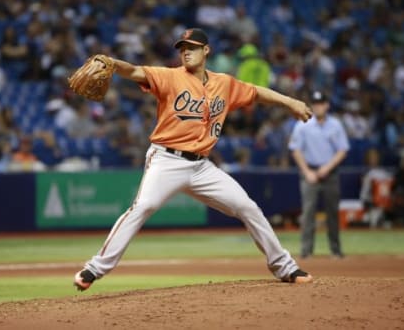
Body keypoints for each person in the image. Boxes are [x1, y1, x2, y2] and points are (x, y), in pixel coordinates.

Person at [73, 28, 314, 291]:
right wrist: (113, 63)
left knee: (248, 207)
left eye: (192, 47)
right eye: (182, 47)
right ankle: (94, 268)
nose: (186, 51)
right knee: (142, 207)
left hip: (201, 167)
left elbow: (256, 92)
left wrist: (290, 102)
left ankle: (285, 267)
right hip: (166, 160)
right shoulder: (169, 76)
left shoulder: (225, 84)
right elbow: (134, 71)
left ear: (206, 50)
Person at [288, 90, 350, 259]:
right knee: (308, 213)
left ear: (327, 105)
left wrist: (327, 168)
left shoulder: (335, 125)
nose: (318, 107)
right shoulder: (303, 123)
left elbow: (342, 150)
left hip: (330, 172)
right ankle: (306, 252)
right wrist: (307, 172)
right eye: (315, 104)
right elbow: (295, 150)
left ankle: (336, 250)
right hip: (310, 171)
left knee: (332, 212)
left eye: (321, 103)